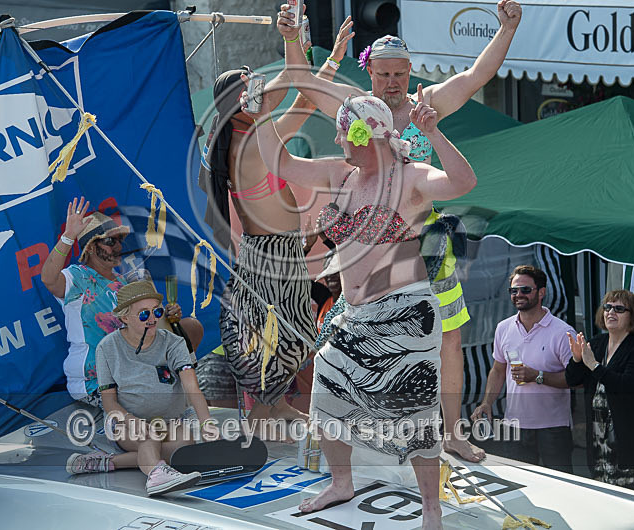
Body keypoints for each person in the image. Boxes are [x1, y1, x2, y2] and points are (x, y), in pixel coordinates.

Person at [278, 0, 523, 462]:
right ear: (369, 73)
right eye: (384, 74)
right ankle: (351, 433)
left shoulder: (423, 107)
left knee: (450, 333)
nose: (392, 83)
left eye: (400, 74)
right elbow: (306, 85)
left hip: (425, 237)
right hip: (365, 242)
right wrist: (293, 39)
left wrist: (506, 31)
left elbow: (474, 78)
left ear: (410, 72)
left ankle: (451, 432)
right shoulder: (354, 109)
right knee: (353, 335)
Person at [242, 82, 475, 527]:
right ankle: (341, 481)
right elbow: (282, 162)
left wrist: (436, 133)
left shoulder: (411, 177)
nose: (336, 140)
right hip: (355, 315)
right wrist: (261, 117)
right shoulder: (341, 175)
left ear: (366, 135)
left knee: (414, 408)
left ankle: (431, 506)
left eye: (343, 132)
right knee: (327, 388)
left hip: (406, 310)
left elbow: (464, 182)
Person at [196, 18, 356, 426]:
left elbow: (303, 100)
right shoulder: (246, 146)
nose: (262, 90)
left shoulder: (253, 135)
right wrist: (290, 41)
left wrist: (333, 60)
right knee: (278, 334)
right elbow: (295, 82)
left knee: (295, 331)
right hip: (268, 255)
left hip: (278, 251)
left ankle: (276, 406)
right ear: (239, 101)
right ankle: (263, 416)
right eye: (253, 86)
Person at [41, 197, 203, 408]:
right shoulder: (77, 277)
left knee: (190, 328)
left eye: (119, 240)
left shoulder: (124, 281)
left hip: (133, 372)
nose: (118, 246)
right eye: (110, 241)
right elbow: (48, 279)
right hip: (97, 379)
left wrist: (164, 317)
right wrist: (68, 236)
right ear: (90, 247)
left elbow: (146, 327)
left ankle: (180, 396)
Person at [67, 281, 211, 495]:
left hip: (170, 421)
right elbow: (109, 401)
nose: (153, 319)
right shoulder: (107, 347)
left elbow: (191, 386)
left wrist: (207, 424)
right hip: (126, 423)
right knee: (148, 434)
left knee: (184, 449)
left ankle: (107, 462)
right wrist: (131, 420)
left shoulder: (174, 342)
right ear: (124, 318)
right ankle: (156, 475)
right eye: (144, 314)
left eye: (157, 312)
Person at [470, 266, 575, 471]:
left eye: (525, 290)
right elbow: (498, 369)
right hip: (515, 425)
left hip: (553, 427)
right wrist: (487, 403)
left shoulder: (563, 332)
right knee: (522, 487)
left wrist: (538, 376)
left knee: (562, 488)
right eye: (513, 290)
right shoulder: (504, 328)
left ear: (541, 292)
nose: (518, 295)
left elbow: (576, 379)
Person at [565, 290, 634, 494]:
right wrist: (576, 359)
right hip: (599, 442)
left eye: (619, 309)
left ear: (633, 316)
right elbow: (572, 380)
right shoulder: (597, 343)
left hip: (632, 444)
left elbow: (626, 388)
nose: (611, 312)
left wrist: (594, 366)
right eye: (608, 307)